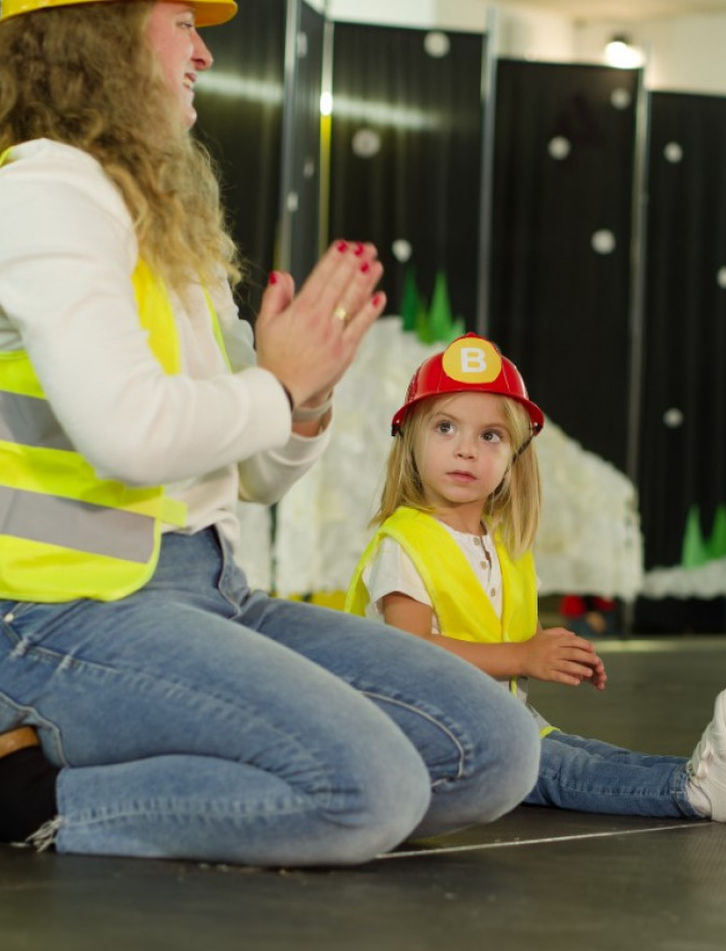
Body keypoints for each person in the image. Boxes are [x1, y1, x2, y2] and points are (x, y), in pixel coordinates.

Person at [0, 0, 543, 865]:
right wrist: (276, 382)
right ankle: (27, 797)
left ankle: (105, 742)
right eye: (182, 22)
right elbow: (128, 437)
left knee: (497, 752)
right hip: (60, 615)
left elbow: (255, 474)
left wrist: (305, 402)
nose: (205, 53)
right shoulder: (40, 191)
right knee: (370, 791)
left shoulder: (168, 224)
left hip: (213, 592)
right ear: (93, 35)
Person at [345, 334, 726, 822]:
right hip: (426, 738)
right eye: (446, 427)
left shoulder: (500, 545)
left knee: (592, 755)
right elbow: (409, 653)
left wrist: (549, 649)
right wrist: (523, 656)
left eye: (490, 435)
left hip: (493, 722)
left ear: (515, 457)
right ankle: (696, 792)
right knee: (563, 769)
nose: (467, 450)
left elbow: (494, 632)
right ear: (409, 439)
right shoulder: (403, 541)